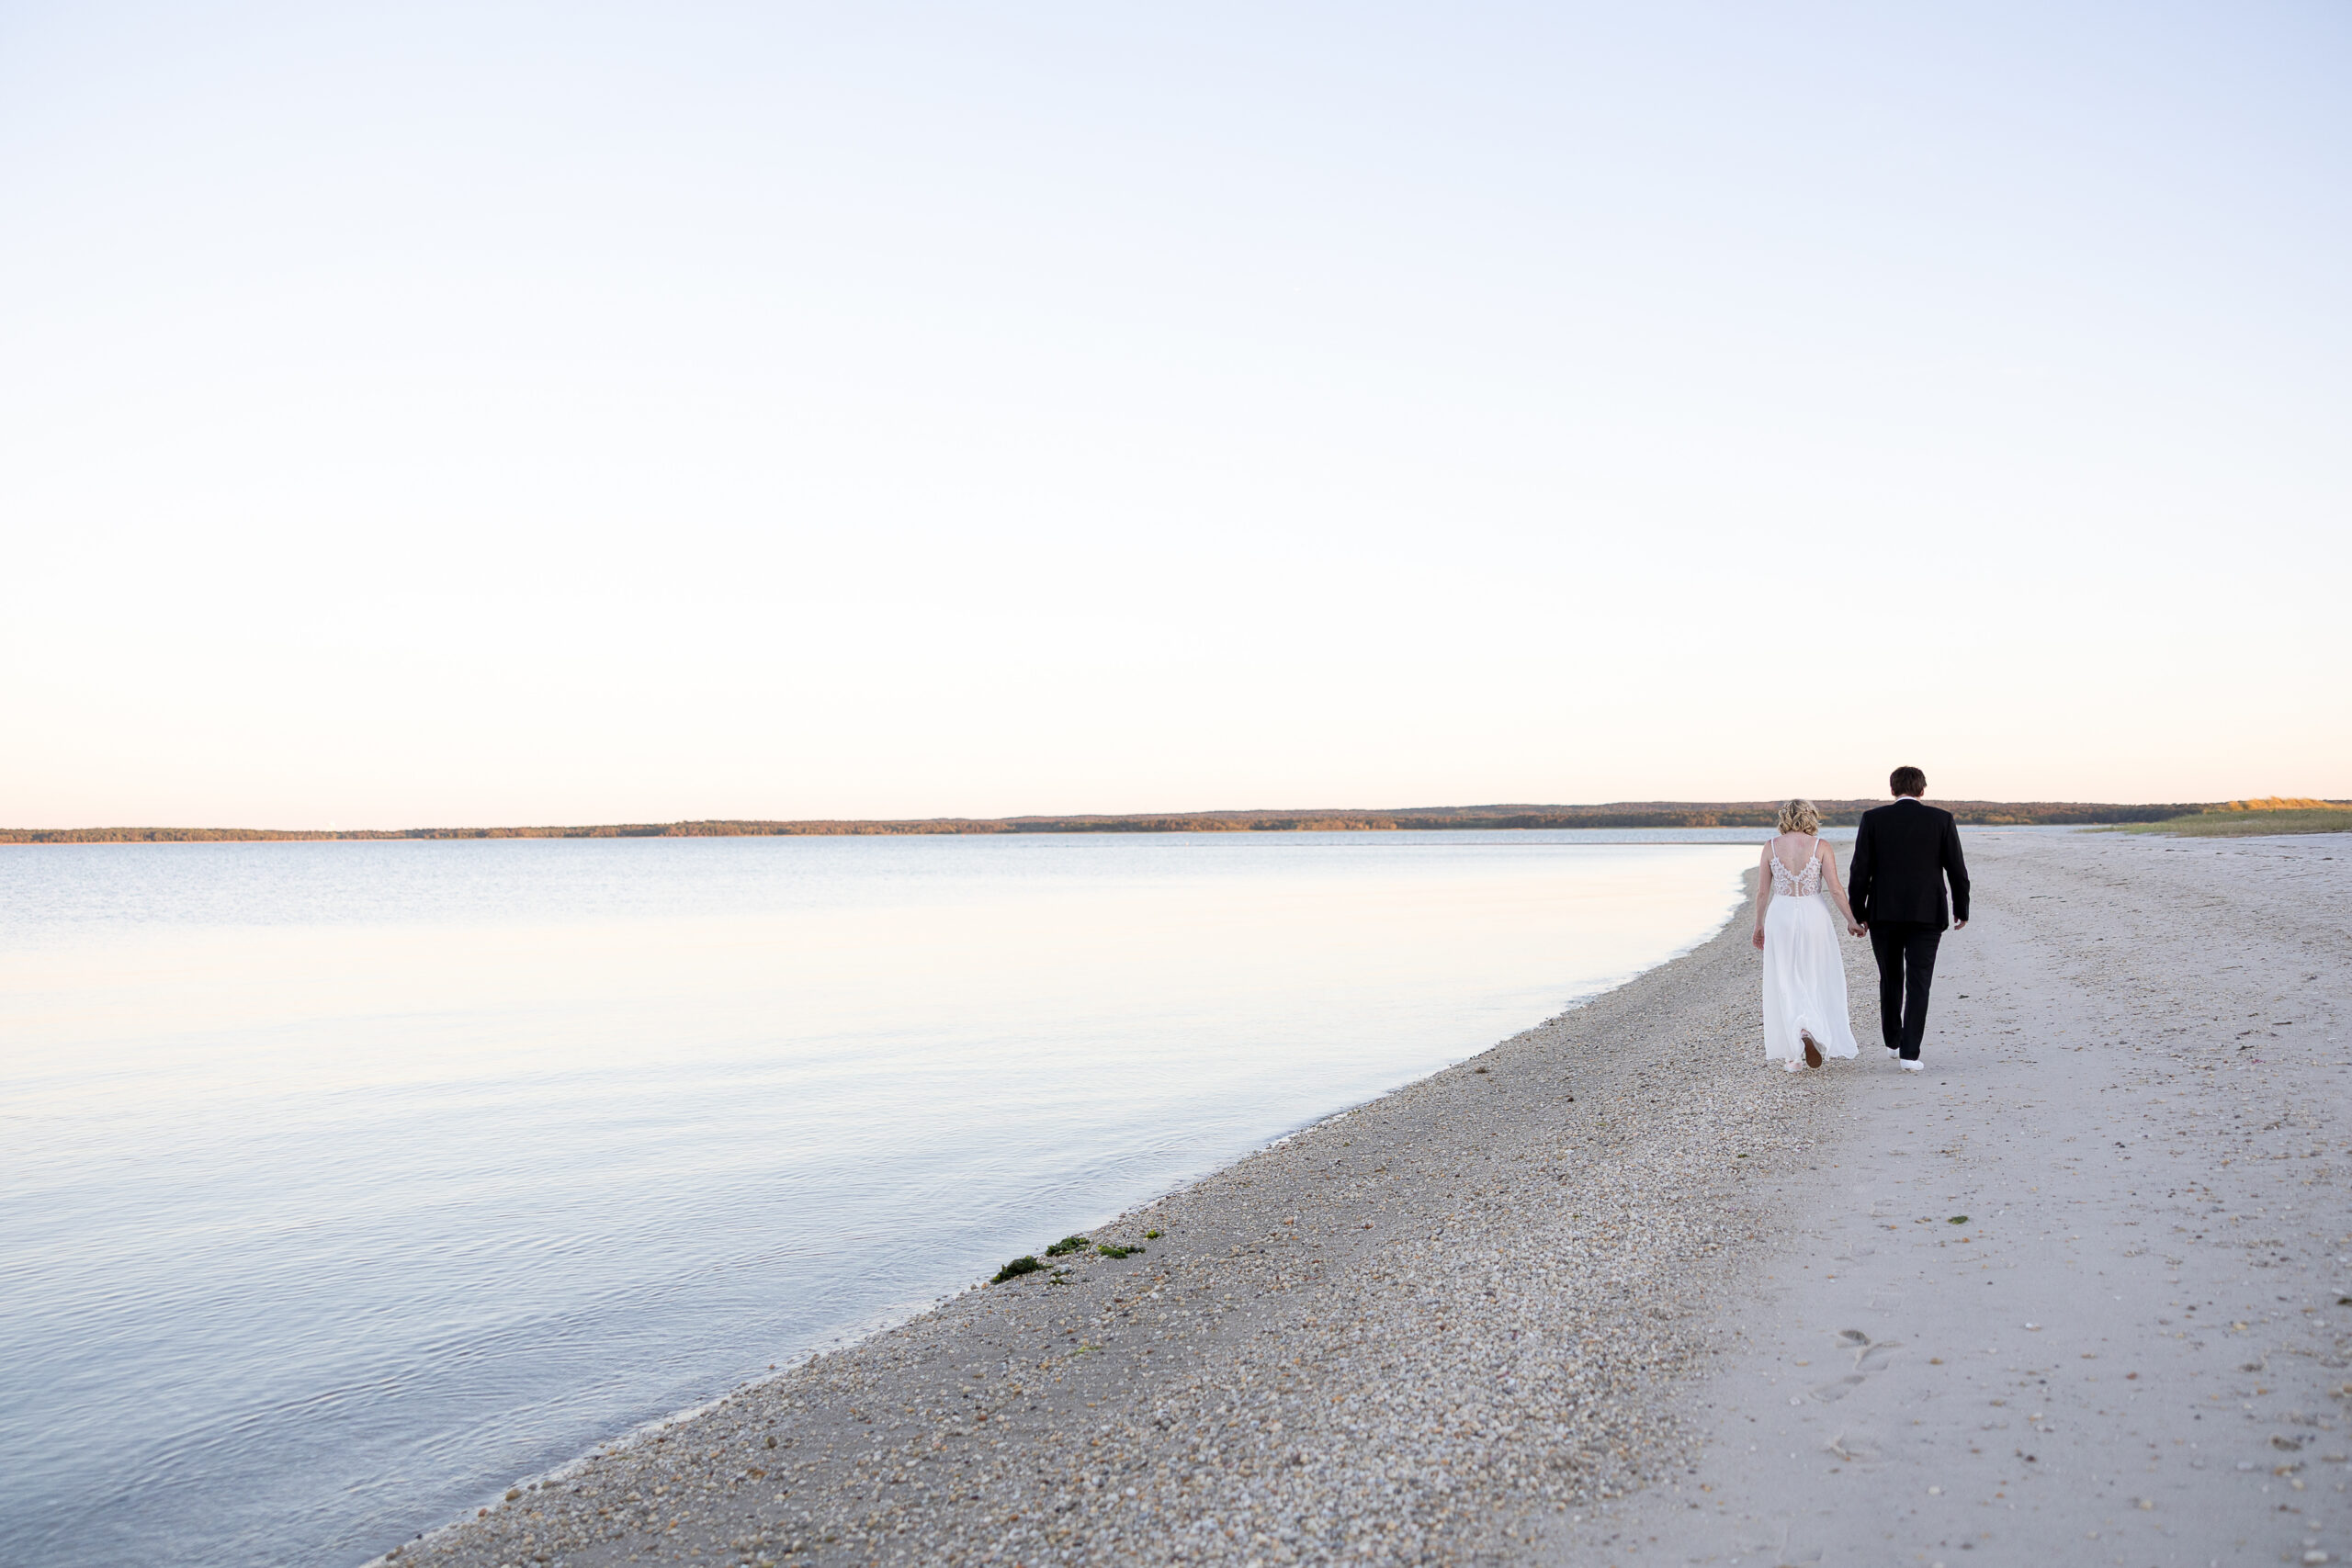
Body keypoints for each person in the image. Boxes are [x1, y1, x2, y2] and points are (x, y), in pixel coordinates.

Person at [1847, 765, 1971, 1073]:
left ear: (1892, 790)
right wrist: (1961, 907)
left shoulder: (1873, 819)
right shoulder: (1941, 819)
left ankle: (1892, 1040)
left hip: (1884, 912)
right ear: (1922, 790)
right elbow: (1956, 868)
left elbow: (1860, 869)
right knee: (1919, 982)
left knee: (1890, 977)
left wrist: (1857, 912)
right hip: (1927, 912)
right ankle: (1909, 1053)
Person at [1750, 798, 1864, 1072]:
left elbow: (1762, 892)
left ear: (1784, 818)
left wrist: (1758, 925)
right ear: (1810, 817)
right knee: (1814, 974)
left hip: (1781, 915)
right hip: (1814, 914)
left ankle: (1794, 1052)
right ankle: (1811, 1030)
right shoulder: (1821, 846)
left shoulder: (1771, 847)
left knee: (1786, 978)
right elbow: (1836, 888)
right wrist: (1852, 921)